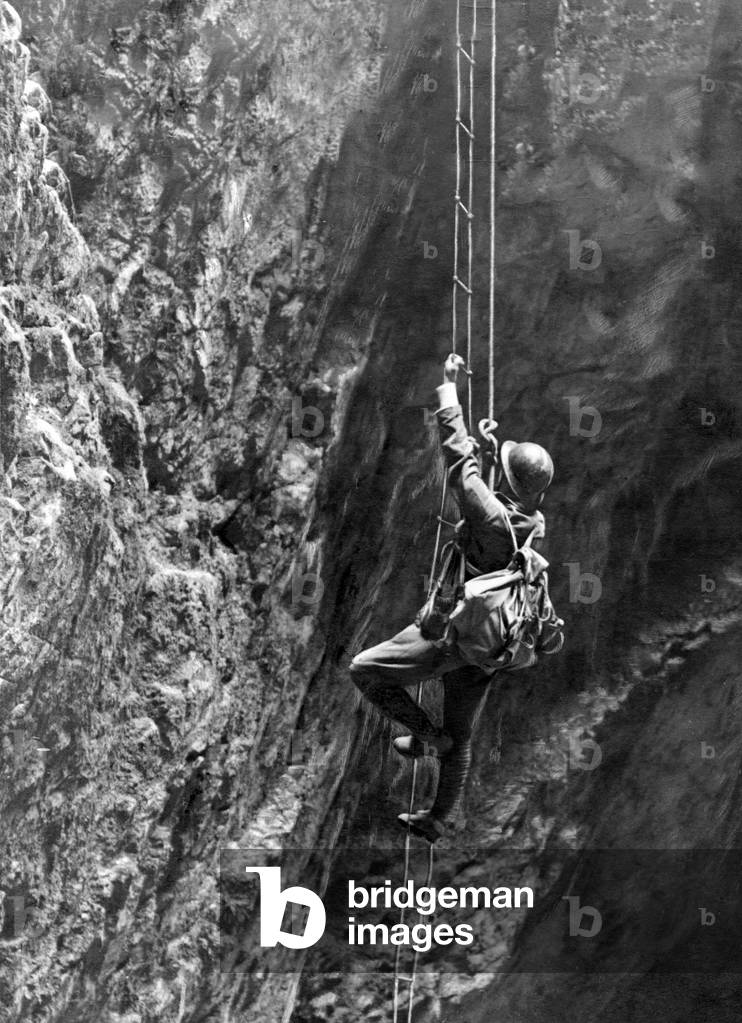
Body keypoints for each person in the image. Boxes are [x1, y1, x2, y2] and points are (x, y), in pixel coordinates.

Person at [349, 353, 554, 842]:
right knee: (462, 737)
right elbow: (494, 500)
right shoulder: (532, 522)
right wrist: (490, 452)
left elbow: (456, 458)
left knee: (365, 671)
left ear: (504, 479)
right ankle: (436, 819)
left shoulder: (487, 515)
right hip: (492, 644)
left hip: (453, 634)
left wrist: (447, 388)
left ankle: (426, 735)